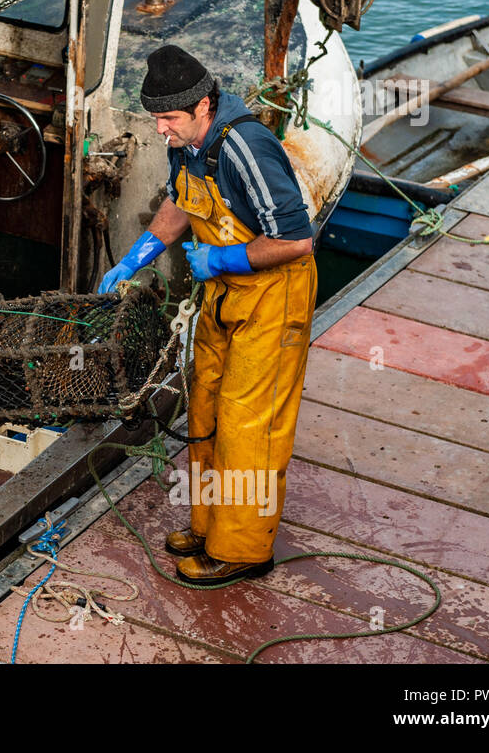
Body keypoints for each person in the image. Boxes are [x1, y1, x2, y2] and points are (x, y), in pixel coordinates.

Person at [98, 44, 317, 586]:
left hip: (272, 299)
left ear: (204, 105)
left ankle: (243, 550)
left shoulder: (247, 146)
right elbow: (181, 201)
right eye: (155, 119)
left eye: (168, 119)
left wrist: (223, 257)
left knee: (249, 425)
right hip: (224, 299)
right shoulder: (187, 146)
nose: (160, 130)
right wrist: (137, 256)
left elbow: (296, 242)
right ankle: (210, 525)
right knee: (206, 409)